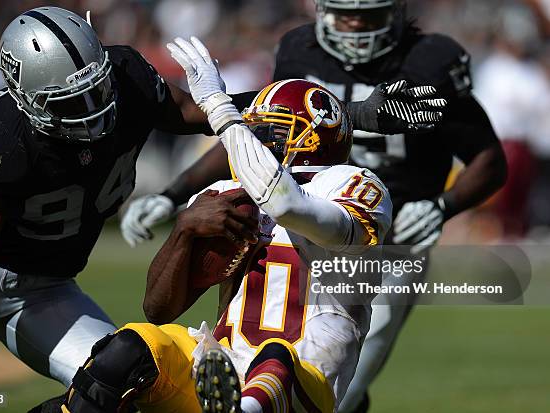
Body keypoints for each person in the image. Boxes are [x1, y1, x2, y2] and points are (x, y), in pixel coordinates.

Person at [121, 1, 507, 411]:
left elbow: (488, 157)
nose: (355, 25)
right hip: (295, 216)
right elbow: (265, 133)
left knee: (344, 377)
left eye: (369, 15)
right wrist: (175, 191)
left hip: (383, 229)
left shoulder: (430, 60)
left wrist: (441, 205)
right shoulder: (300, 50)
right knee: (285, 362)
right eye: (344, 13)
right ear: (320, 11)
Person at [0, 6, 258, 408]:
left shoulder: (128, 78)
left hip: (46, 292)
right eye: (72, 102)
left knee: (124, 385)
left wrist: (289, 106)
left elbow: (207, 115)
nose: (94, 110)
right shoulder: (2, 135)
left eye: (98, 89)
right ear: (25, 99)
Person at [58, 38, 394, 413]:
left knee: (275, 361)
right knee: (131, 347)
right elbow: (158, 309)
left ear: (316, 138)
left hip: (303, 382)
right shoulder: (225, 195)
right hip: (219, 369)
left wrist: (219, 107)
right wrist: (184, 229)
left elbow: (286, 205)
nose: (257, 143)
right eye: (256, 132)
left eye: (272, 133)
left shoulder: (355, 185)